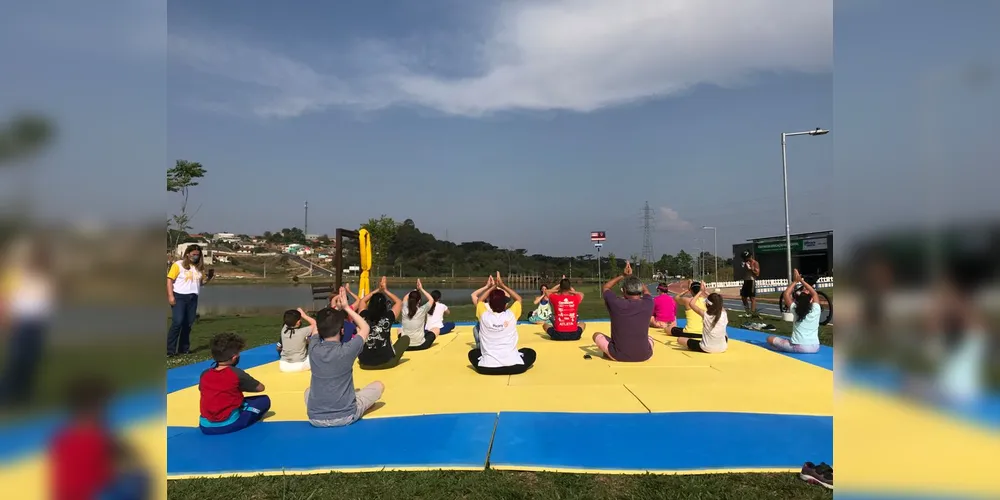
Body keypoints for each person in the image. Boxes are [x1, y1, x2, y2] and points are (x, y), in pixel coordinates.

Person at [49, 377, 150, 500]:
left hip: (67, 495)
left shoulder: (62, 436)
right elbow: (126, 455)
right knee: (140, 478)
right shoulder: (99, 435)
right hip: (92, 494)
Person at [305, 287, 384, 427]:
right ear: (342, 330)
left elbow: (318, 326)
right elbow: (365, 328)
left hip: (315, 418)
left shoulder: (313, 348)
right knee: (379, 385)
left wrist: (331, 308)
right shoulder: (347, 350)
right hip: (346, 416)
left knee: (307, 391)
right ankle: (361, 406)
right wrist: (347, 308)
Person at [0, 237, 53, 407]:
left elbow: (45, 301)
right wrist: (5, 319)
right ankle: (6, 394)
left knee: (32, 360)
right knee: (17, 360)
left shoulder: (44, 277)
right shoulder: (15, 275)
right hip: (20, 323)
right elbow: (4, 298)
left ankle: (25, 394)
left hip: (38, 325)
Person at [197, 332, 270, 435]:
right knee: (264, 401)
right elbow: (260, 388)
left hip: (205, 426)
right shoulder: (236, 373)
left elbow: (204, 390)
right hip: (228, 424)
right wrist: (240, 386)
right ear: (235, 357)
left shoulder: (204, 374)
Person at [469, 272, 536, 375]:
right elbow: (518, 299)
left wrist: (492, 287)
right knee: (530, 352)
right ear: (505, 304)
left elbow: (480, 300)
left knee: (473, 353)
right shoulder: (511, 315)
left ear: (490, 305)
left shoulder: (484, 315)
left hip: (487, 368)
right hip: (514, 367)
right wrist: (502, 285)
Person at [592, 262, 655, 362]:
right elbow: (646, 292)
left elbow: (606, 287)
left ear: (624, 290)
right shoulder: (648, 303)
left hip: (618, 355)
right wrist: (632, 277)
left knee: (596, 335)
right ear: (639, 290)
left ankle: (608, 354)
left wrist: (623, 276)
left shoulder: (616, 303)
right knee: (650, 338)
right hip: (645, 355)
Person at [167, 244, 215, 356]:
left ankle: (184, 349)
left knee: (188, 324)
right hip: (179, 296)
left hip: (193, 297)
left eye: (198, 255)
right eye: (193, 254)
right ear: (188, 254)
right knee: (177, 322)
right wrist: (170, 296)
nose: (196, 257)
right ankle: (170, 350)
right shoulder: (178, 265)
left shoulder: (198, 267)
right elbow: (169, 280)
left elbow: (200, 283)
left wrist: (209, 278)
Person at [355, 276, 410, 369]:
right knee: (405, 339)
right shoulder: (388, 317)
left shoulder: (363, 316)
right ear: (385, 305)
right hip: (386, 362)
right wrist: (385, 290)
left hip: (365, 363)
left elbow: (362, 301)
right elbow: (398, 302)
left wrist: (377, 290)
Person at [766, 269, 822, 354]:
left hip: (799, 347)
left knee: (769, 338)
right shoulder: (816, 309)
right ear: (811, 300)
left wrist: (795, 281)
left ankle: (781, 349)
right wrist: (802, 281)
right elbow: (814, 293)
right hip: (815, 347)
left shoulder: (795, 309)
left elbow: (786, 294)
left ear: (798, 301)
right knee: (784, 342)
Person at [678, 289, 729, 353]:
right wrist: (706, 292)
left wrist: (701, 291)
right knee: (725, 333)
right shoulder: (724, 314)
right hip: (723, 348)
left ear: (707, 304)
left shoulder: (705, 315)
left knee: (679, 340)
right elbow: (718, 305)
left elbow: (691, 303)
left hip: (706, 348)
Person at [399, 279, 437, 351]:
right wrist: (421, 289)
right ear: (419, 301)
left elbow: (405, 298)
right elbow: (431, 300)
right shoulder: (422, 310)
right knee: (436, 329)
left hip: (405, 346)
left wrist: (415, 290)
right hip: (421, 345)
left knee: (399, 329)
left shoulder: (404, 309)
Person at [276, 308, 317, 372]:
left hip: (283, 366)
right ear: (298, 322)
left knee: (304, 340)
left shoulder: (283, 330)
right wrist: (304, 315)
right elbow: (315, 324)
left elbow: (287, 321)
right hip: (300, 366)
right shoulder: (302, 332)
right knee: (315, 330)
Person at [470, 276, 496, 348]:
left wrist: (487, 287)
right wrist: (495, 286)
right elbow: (507, 295)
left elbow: (473, 295)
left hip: (486, 338)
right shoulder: (499, 307)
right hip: (494, 338)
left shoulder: (482, 306)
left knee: (476, 328)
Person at [740, 250, 760, 317]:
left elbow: (757, 274)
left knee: (752, 298)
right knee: (743, 297)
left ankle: (752, 312)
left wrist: (751, 269)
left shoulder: (755, 263)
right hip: (746, 281)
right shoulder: (744, 263)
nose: (744, 259)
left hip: (751, 281)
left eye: (745, 258)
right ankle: (747, 311)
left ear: (749, 257)